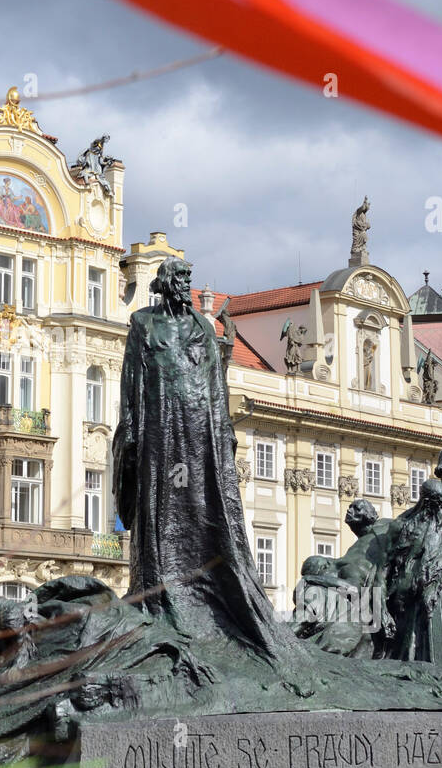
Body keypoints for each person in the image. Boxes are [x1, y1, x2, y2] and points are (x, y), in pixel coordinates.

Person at [113, 257, 304, 663]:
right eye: (180, 278)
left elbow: (217, 383)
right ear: (165, 283)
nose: (186, 284)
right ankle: (161, 588)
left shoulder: (202, 326)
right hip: (159, 423)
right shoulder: (143, 325)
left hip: (198, 425)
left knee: (201, 502)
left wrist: (223, 431)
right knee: (161, 504)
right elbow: (132, 381)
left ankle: (206, 589)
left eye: (188, 278)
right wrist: (129, 428)